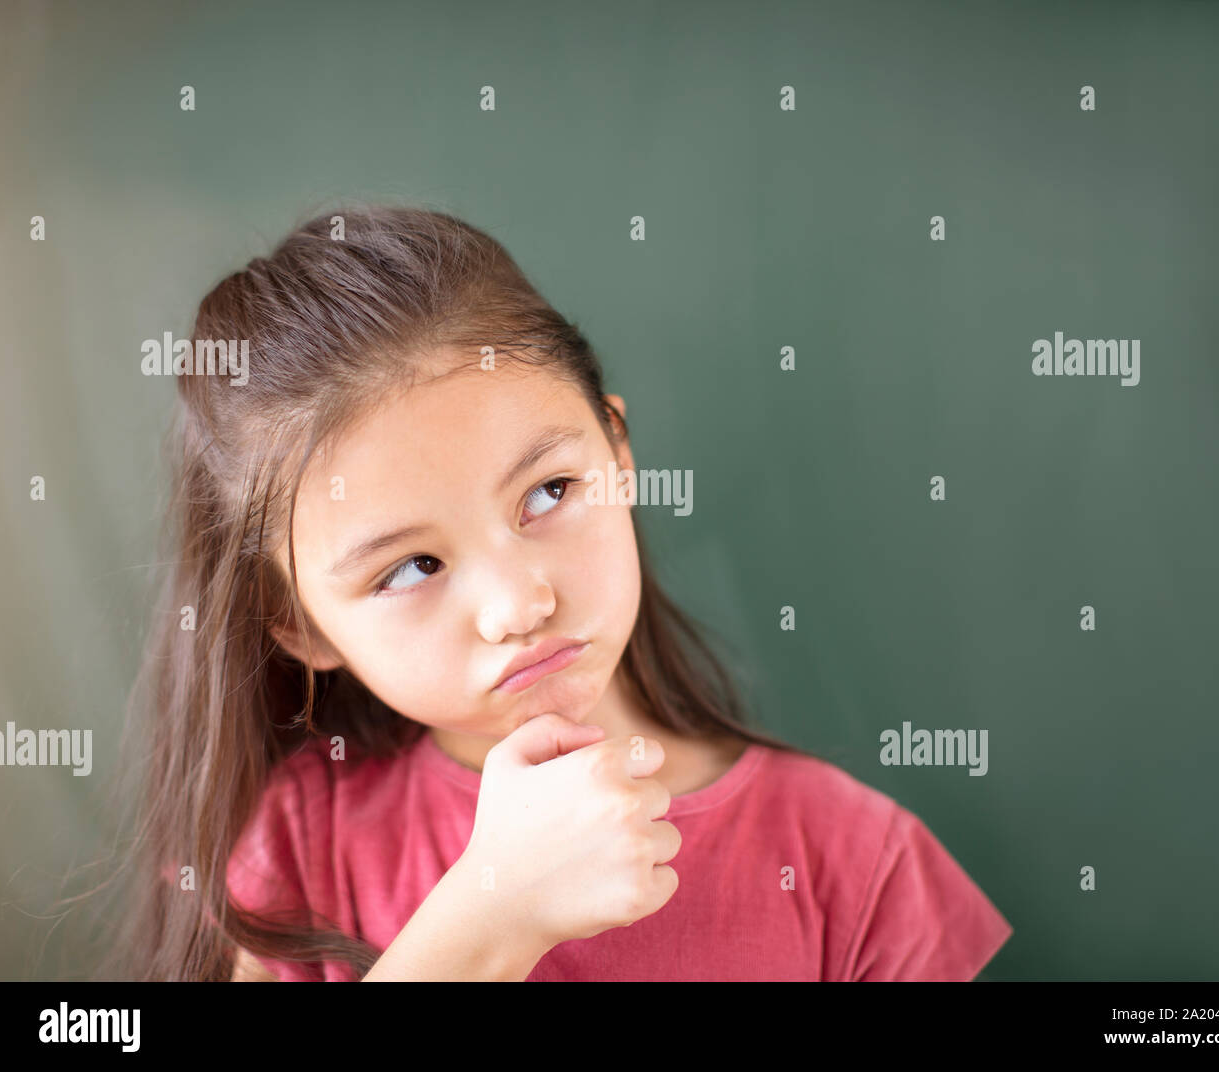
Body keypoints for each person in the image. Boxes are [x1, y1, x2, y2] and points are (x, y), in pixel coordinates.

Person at [107, 205, 1012, 981]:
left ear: (617, 457)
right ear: (302, 625)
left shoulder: (853, 861)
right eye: (410, 568)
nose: (517, 605)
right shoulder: (297, 848)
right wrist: (491, 917)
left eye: (549, 493)